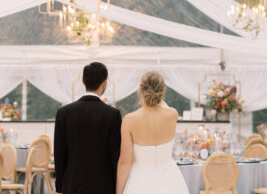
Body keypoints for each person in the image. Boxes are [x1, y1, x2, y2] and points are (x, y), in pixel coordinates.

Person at [116, 71, 189, 194]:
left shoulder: (129, 120)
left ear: (140, 90)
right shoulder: (173, 114)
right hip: (170, 180)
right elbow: (164, 106)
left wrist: (118, 192)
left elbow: (125, 162)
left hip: (139, 181)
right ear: (163, 91)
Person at [54, 62, 122, 194]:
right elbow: (115, 155)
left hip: (72, 183)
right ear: (104, 84)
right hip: (103, 184)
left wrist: (60, 186)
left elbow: (59, 153)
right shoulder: (113, 115)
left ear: (83, 81)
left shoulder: (64, 113)